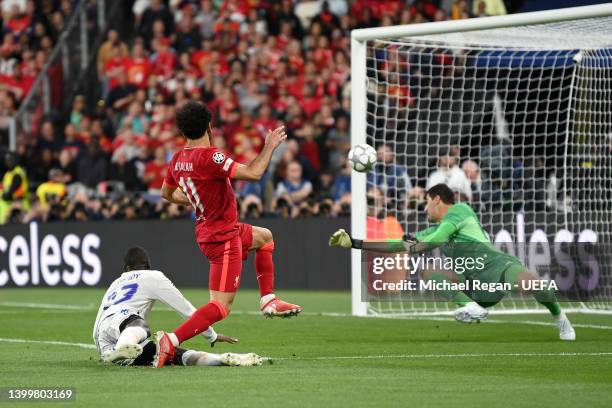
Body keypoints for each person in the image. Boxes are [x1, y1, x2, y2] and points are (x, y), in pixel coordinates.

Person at [329, 183, 576, 341]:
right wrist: (355, 243)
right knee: (428, 272)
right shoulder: (434, 230)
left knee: (536, 286)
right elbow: (396, 245)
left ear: (437, 199)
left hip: (499, 269)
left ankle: (560, 318)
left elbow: (436, 238)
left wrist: (419, 243)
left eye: (426, 202)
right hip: (472, 283)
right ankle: (470, 306)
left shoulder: (460, 210)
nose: (425, 209)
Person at [156, 101, 302, 368]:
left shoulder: (177, 159)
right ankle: (172, 339)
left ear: (182, 132)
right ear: (209, 127)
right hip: (221, 238)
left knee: (265, 237)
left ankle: (269, 299)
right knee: (220, 307)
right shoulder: (211, 156)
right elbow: (254, 173)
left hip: (217, 230)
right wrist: (269, 146)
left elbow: (166, 194)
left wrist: (192, 198)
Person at [93, 247, 262, 367]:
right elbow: (186, 310)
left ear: (126, 269)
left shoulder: (115, 283)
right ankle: (124, 346)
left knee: (167, 355)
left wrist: (104, 349)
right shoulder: (153, 276)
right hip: (128, 325)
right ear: (148, 265)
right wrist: (211, 335)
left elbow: (98, 323)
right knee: (141, 326)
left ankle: (222, 359)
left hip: (105, 337)